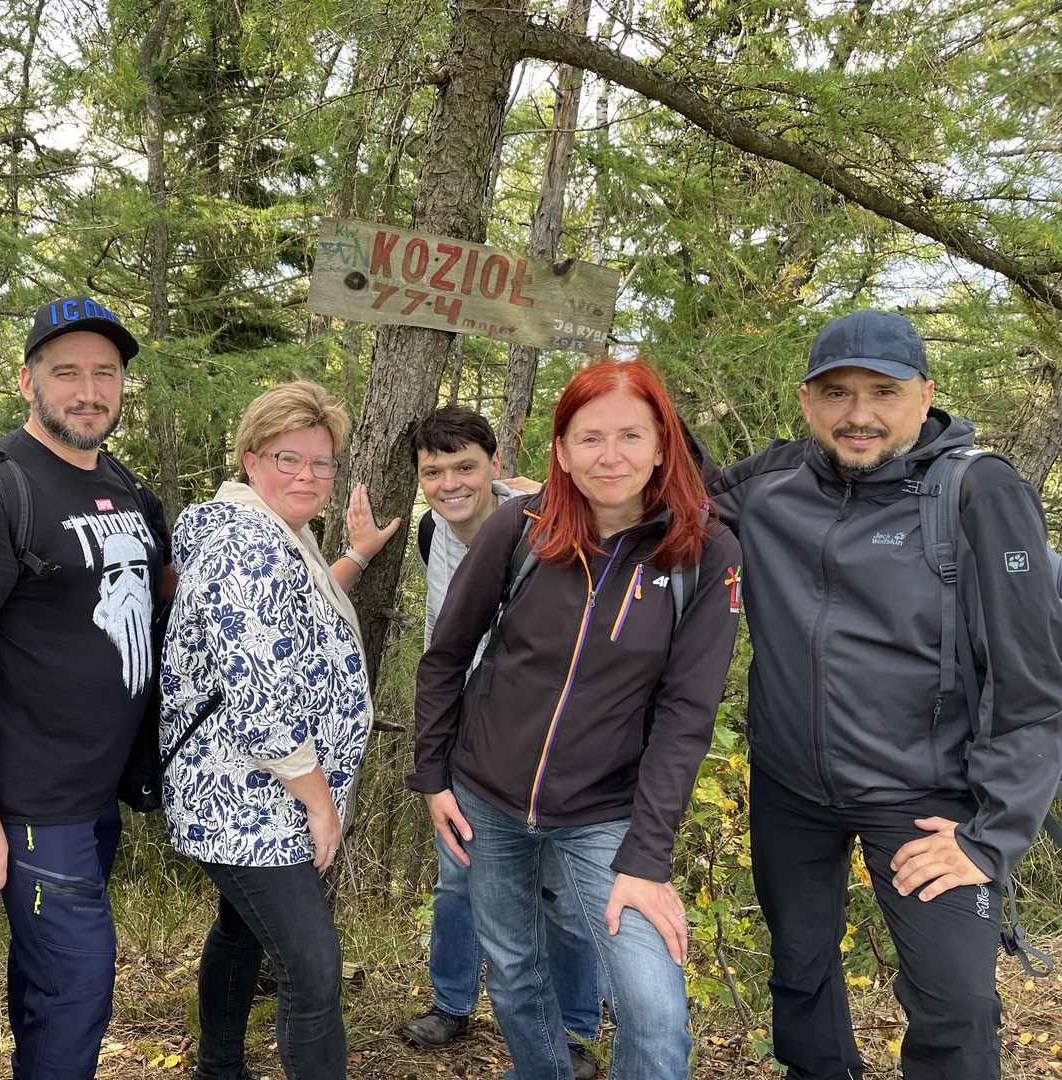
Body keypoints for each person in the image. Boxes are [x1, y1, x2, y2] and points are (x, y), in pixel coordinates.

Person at [702, 310, 1062, 1079]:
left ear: (925, 394)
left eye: (883, 392)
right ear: (807, 401)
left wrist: (991, 836)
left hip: (925, 796)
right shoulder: (769, 484)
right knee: (800, 972)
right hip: (791, 785)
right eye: (836, 392)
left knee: (957, 1007)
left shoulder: (978, 492)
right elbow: (669, 499)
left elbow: (1032, 682)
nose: (858, 414)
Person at [411, 360, 743, 1080]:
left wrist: (647, 857)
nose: (610, 456)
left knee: (654, 1012)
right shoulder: (522, 528)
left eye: (631, 436)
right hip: (485, 798)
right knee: (513, 970)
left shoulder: (706, 554)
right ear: (561, 451)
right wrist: (433, 776)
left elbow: (686, 716)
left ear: (663, 445)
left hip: (607, 813)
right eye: (590, 438)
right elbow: (446, 656)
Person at [0, 297, 172, 1080]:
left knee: (50, 983)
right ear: (27, 382)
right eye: (67, 373)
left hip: (97, 790)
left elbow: (176, 592)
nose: (89, 391)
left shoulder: (123, 483)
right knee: (77, 987)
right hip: (33, 799)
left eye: (106, 373)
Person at [160, 380, 392, 1080]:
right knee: (312, 967)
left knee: (241, 930)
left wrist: (356, 555)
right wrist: (320, 804)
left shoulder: (276, 533)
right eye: (288, 458)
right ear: (251, 458)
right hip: (248, 799)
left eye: (322, 463)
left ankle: (218, 1069)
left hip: (255, 794)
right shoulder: (247, 546)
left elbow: (288, 619)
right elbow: (261, 707)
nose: (307, 476)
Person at [403, 406, 604, 1080]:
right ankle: (451, 1002)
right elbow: (445, 651)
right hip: (467, 738)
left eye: (465, 467)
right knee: (457, 879)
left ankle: (574, 1029)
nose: (450, 484)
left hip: (547, 741)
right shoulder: (431, 531)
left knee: (563, 898)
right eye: (434, 471)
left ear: (496, 463)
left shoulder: (540, 525)